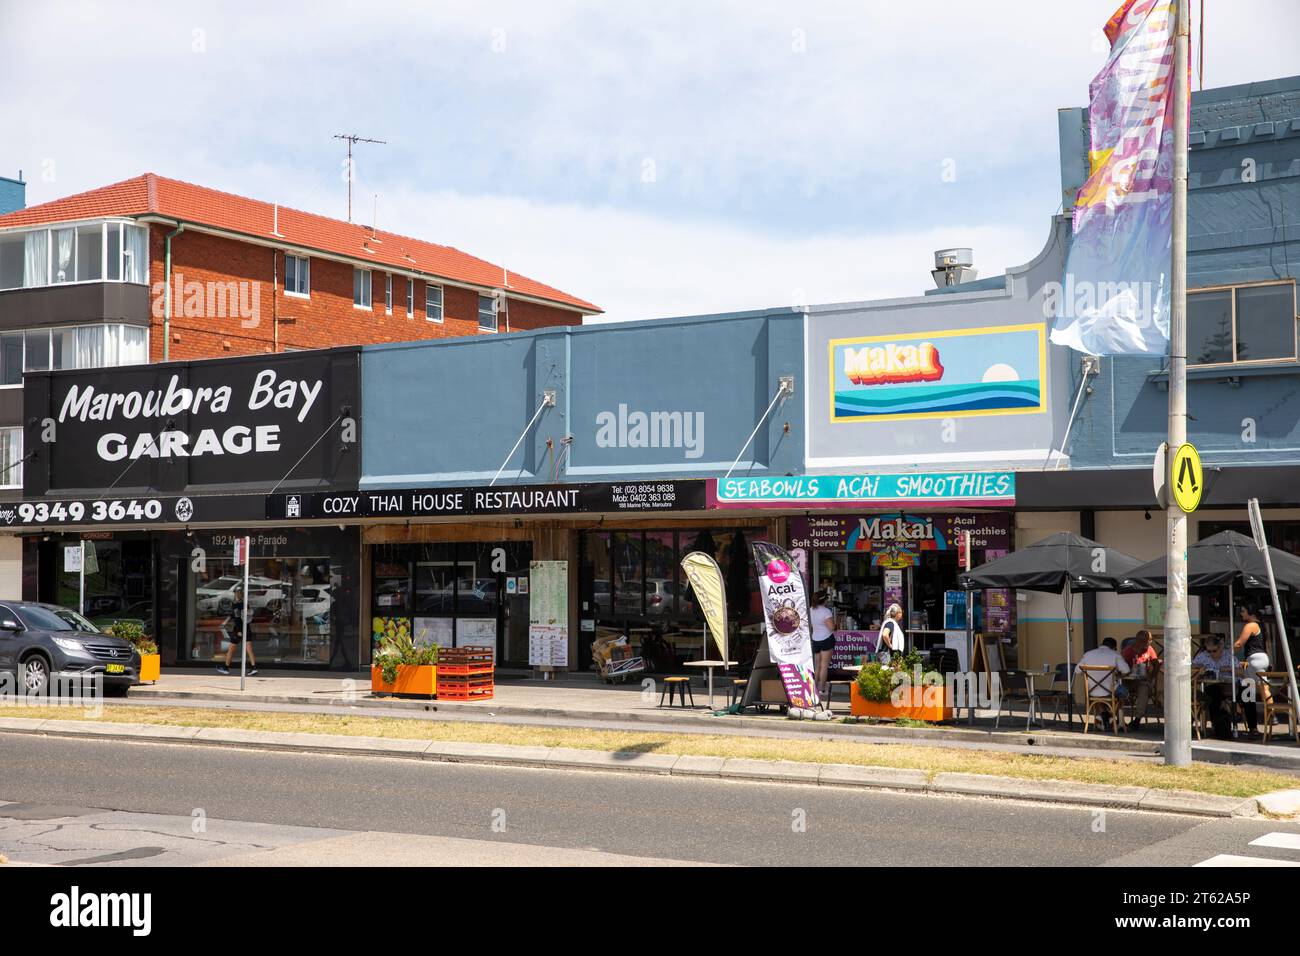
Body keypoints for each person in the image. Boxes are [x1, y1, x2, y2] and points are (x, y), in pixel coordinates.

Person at [1074, 638, 1130, 731]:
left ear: (1101, 644)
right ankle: (1114, 718)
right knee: (1124, 693)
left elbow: (1077, 670)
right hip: (1110, 691)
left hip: (1091, 691)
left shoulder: (1088, 654)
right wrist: (1118, 674)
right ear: (1114, 647)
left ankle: (1100, 717)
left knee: (1100, 696)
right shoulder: (1115, 654)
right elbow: (1126, 670)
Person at [1232, 601, 1271, 736]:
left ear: (1250, 612)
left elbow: (1239, 643)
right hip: (1263, 659)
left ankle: (1251, 725)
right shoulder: (1261, 625)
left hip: (1254, 660)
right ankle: (1272, 716)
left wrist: (1227, 652)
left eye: (1243, 611)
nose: (1241, 613)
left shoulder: (1250, 625)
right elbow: (1267, 645)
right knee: (1264, 688)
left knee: (1248, 693)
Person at [1192, 634, 1236, 739]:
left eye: (1214, 651)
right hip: (1211, 686)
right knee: (1211, 695)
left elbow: (1242, 672)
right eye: (1209, 651)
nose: (1211, 653)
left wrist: (1228, 669)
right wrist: (1199, 667)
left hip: (1228, 687)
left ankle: (1219, 728)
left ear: (1219, 647)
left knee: (1213, 696)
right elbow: (1192, 666)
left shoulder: (1228, 656)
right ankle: (1219, 728)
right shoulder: (1203, 656)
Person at [1120, 629, 1161, 729]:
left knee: (1144, 688)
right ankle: (1120, 720)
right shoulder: (1128, 651)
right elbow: (1120, 667)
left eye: (1149, 641)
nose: (1148, 644)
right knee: (1119, 689)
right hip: (1129, 681)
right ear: (1138, 641)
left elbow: (1156, 664)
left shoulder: (1150, 649)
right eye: (1146, 642)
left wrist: (1151, 676)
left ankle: (1137, 719)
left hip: (1143, 681)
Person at [216, 586, 258, 676]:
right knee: (249, 649)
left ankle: (226, 667)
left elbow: (237, 618)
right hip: (247, 628)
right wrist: (224, 622)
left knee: (231, 649)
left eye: (235, 593)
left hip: (239, 630)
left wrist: (239, 630)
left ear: (236, 594)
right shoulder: (245, 604)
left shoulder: (236, 605)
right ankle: (254, 667)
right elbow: (235, 616)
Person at [809, 589, 836, 704]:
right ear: (824, 600)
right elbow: (831, 628)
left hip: (815, 638)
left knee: (817, 665)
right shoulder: (826, 611)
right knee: (824, 666)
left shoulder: (810, 610)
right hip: (826, 639)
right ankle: (822, 689)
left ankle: (814, 689)